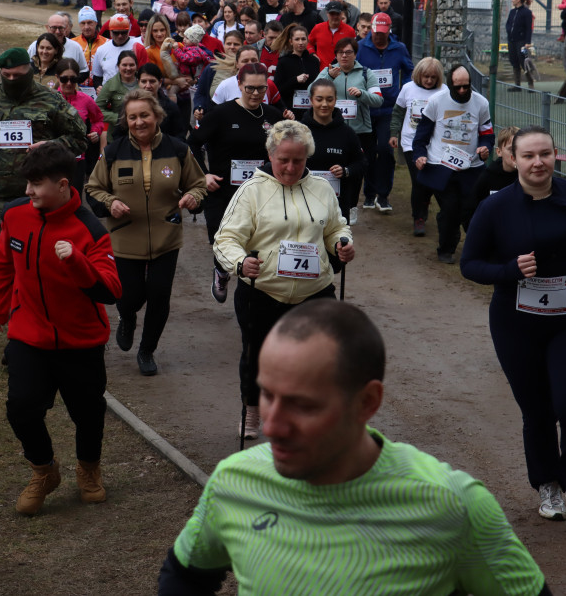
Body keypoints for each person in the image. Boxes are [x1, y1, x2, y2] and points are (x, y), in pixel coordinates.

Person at [159, 300, 551, 596]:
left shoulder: (452, 503)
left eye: (303, 405)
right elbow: (184, 577)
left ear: (367, 402)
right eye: (266, 395)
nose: (271, 426)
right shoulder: (234, 482)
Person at [461, 125, 566, 532]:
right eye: (528, 156)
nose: (538, 162)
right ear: (513, 159)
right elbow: (469, 265)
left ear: (555, 155)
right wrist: (509, 270)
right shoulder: (495, 207)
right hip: (516, 322)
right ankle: (547, 483)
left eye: (545, 154)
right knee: (538, 410)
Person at [0, 142, 122, 516]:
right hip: (30, 334)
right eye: (27, 183)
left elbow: (110, 290)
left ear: (63, 185)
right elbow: (3, 260)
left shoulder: (90, 229)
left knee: (87, 413)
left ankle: (89, 470)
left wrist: (77, 261)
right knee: (21, 407)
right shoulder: (16, 215)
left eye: (36, 184)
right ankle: (44, 471)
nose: (28, 191)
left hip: (80, 340)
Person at [212, 119, 354, 436]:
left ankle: (310, 414)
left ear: (308, 158)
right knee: (257, 355)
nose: (290, 168)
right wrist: (240, 262)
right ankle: (251, 413)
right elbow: (225, 240)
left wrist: (342, 245)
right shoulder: (251, 191)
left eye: (298, 160)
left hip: (314, 291)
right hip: (262, 291)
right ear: (271, 155)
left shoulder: (321, 189)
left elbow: (336, 228)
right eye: (283, 160)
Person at [87, 90, 206, 376]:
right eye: (132, 117)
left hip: (167, 236)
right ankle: (127, 319)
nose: (139, 122)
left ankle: (147, 350)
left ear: (157, 116)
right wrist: (110, 202)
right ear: (126, 120)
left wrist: (193, 198)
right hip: (125, 237)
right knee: (128, 296)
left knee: (159, 296)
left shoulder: (178, 149)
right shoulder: (114, 152)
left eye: (144, 115)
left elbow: (198, 184)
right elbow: (93, 188)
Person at [0, 47, 88, 242]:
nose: (12, 80)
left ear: (30, 71)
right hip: (2, 194)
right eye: (7, 75)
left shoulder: (51, 100)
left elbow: (80, 138)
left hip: (44, 193)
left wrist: (51, 145)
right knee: (5, 254)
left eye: (17, 75)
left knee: (41, 252)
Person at [190, 63, 285, 303]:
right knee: (221, 239)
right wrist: (204, 175)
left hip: (261, 192)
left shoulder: (272, 116)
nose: (255, 94)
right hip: (223, 190)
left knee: (256, 240)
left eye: (261, 89)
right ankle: (221, 271)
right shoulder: (221, 114)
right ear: (239, 85)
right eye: (250, 88)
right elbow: (191, 143)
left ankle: (256, 290)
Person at [412, 65, 494, 264]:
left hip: (471, 168)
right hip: (441, 165)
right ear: (449, 85)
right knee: (450, 209)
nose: (462, 91)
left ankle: (477, 250)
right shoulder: (436, 102)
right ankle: (446, 249)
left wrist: (485, 148)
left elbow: (487, 135)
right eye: (458, 87)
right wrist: (420, 155)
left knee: (471, 210)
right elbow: (421, 135)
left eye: (466, 87)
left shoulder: (481, 103)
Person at [310, 38, 384, 208]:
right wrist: (328, 76)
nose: (344, 56)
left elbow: (378, 100)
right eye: (340, 52)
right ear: (336, 54)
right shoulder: (327, 72)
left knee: (356, 169)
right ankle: (329, 204)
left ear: (355, 54)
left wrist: (361, 94)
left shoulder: (366, 73)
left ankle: (351, 206)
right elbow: (310, 92)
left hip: (360, 131)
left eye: (348, 52)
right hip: (334, 130)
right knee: (333, 168)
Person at [357, 12, 414, 214]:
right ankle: (370, 193)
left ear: (389, 30)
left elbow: (409, 70)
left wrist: (405, 89)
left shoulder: (399, 49)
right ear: (370, 29)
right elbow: (354, 69)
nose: (379, 36)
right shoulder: (361, 47)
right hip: (366, 108)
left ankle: (383, 195)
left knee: (386, 150)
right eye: (376, 32)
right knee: (369, 153)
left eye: (383, 32)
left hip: (390, 108)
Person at [390, 56, 445, 235]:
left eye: (433, 78)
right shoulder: (408, 89)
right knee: (419, 181)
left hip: (434, 144)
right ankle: (418, 218)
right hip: (410, 143)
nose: (429, 81)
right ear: (419, 75)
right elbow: (398, 113)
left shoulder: (443, 92)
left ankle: (424, 205)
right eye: (426, 77)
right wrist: (393, 133)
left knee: (429, 181)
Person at [302, 79, 366, 222]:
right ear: (311, 100)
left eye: (329, 99)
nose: (324, 104)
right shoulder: (299, 131)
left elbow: (361, 163)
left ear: (336, 100)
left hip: (337, 206)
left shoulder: (347, 133)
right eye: (319, 99)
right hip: (303, 203)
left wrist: (346, 171)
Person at [56, 57, 104, 187]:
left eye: (73, 79)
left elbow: (99, 119)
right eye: (64, 79)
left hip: (78, 158)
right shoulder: (50, 100)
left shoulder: (86, 100)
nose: (69, 83)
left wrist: (95, 132)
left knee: (75, 197)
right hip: (54, 158)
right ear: (57, 77)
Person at [272, 24, 321, 119]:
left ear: (308, 40)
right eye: (297, 39)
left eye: (303, 39)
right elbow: (278, 89)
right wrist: (295, 80)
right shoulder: (283, 61)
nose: (301, 42)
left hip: (311, 111)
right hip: (291, 111)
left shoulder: (314, 61)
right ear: (291, 41)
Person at [90, 14, 147, 86]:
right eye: (116, 33)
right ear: (110, 32)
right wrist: (98, 87)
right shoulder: (101, 50)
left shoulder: (138, 48)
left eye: (123, 32)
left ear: (129, 31)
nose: (120, 36)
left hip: (131, 94)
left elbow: (145, 76)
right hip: (109, 93)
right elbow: (97, 77)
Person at [135, 62, 188, 140]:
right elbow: (119, 135)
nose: (148, 86)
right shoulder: (130, 106)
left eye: (152, 81)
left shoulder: (171, 107)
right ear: (138, 82)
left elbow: (179, 137)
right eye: (144, 81)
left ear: (159, 83)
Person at [473, 125, 520, 209]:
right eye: (511, 149)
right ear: (499, 152)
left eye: (520, 149)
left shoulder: (529, 175)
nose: (515, 153)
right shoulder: (487, 177)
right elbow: (473, 207)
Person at [307, 1, 356, 70]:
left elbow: (355, 50)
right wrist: (312, 54)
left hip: (342, 72)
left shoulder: (350, 31)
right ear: (327, 13)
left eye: (337, 14)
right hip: (322, 72)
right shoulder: (318, 28)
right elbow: (308, 43)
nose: (335, 16)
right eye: (332, 14)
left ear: (342, 13)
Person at [96, 50, 140, 125]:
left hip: (142, 128)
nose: (128, 68)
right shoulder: (110, 84)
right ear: (118, 66)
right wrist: (119, 118)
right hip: (118, 131)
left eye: (131, 65)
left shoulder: (144, 81)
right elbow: (97, 110)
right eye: (124, 65)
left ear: (136, 66)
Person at [506, 0, 534, 88]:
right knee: (514, 61)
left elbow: (528, 28)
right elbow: (508, 24)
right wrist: (509, 32)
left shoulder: (527, 13)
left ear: (518, 0)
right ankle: (517, 85)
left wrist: (527, 42)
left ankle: (530, 83)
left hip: (521, 42)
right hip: (512, 41)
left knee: (523, 61)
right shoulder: (512, 12)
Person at [72, 5, 107, 75]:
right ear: (79, 24)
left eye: (90, 23)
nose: (86, 27)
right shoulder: (72, 43)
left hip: (100, 85)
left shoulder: (106, 43)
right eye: (83, 23)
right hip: (77, 84)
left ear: (96, 23)